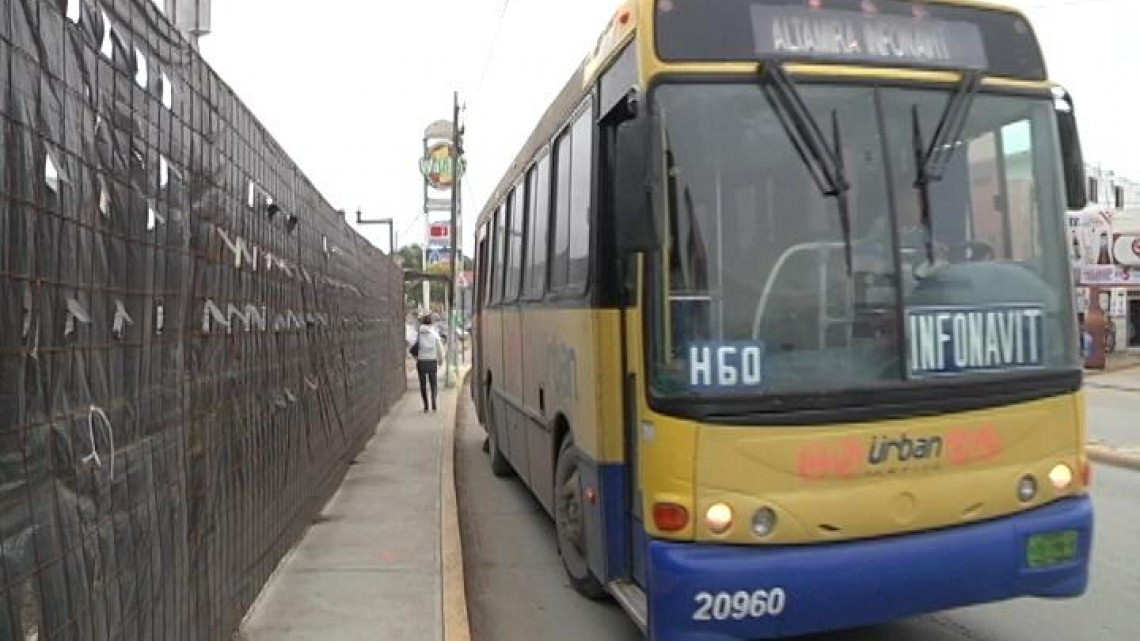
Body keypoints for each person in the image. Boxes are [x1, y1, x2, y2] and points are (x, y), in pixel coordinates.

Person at [414, 315, 445, 412]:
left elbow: (413, 346)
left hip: (421, 362)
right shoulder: (434, 334)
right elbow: (440, 348)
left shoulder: (418, 334)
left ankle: (426, 405)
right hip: (432, 361)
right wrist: (441, 360)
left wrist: (417, 358)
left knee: (423, 384)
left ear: (422, 323)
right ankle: (433, 401)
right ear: (431, 323)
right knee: (433, 383)